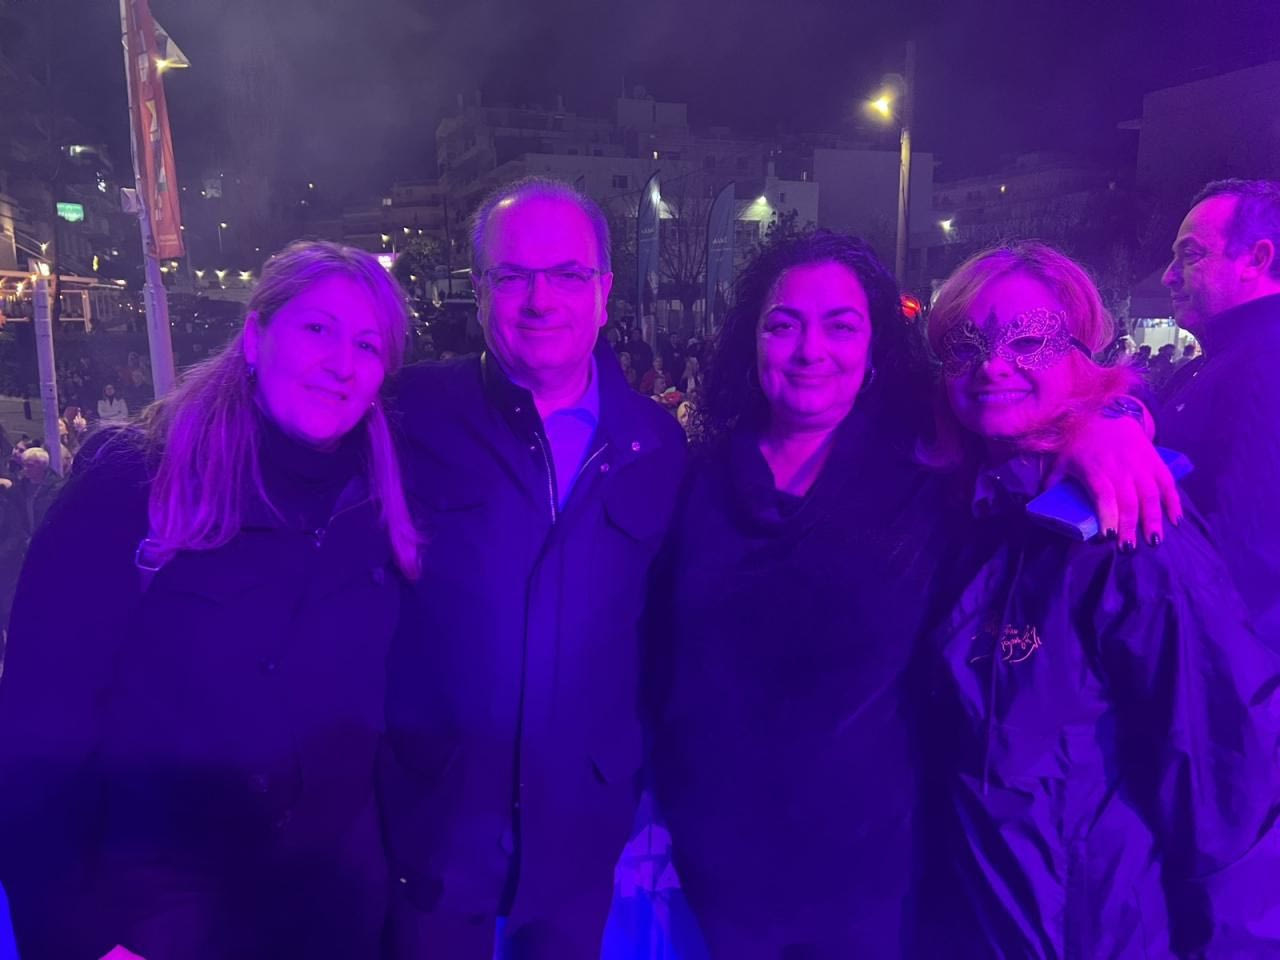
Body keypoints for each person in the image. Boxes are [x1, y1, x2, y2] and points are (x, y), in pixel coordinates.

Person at [648, 231, 1180, 958]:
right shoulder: (693, 481)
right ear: (751, 341)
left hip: (872, 880)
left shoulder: (927, 470)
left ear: (875, 348)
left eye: (841, 326)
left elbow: (1023, 413)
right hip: (709, 868)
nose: (810, 350)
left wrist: (1104, 427)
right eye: (783, 325)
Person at [0, 240, 421, 959]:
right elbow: (39, 727)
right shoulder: (135, 480)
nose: (342, 363)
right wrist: (79, 932)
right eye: (317, 328)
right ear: (255, 338)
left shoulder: (382, 502)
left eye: (368, 344)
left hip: (330, 917)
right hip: (156, 920)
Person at [918, 241, 1280, 957]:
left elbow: (1229, 787)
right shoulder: (961, 515)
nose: (993, 365)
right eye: (965, 345)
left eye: (1029, 340)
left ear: (1082, 358)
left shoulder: (1135, 529)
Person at [382, 177, 687, 959]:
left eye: (568, 275)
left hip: (580, 836)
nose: (540, 300)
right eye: (513, 275)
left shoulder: (656, 444)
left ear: (605, 291)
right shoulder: (412, 414)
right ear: (479, 289)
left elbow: (665, 636)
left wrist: (632, 776)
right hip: (435, 826)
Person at [1159, 178, 1280, 649]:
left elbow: (1249, 555)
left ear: (1256, 259)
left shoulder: (1265, 362)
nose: (1169, 276)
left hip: (1220, 657)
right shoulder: (1226, 358)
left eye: (1190, 255)